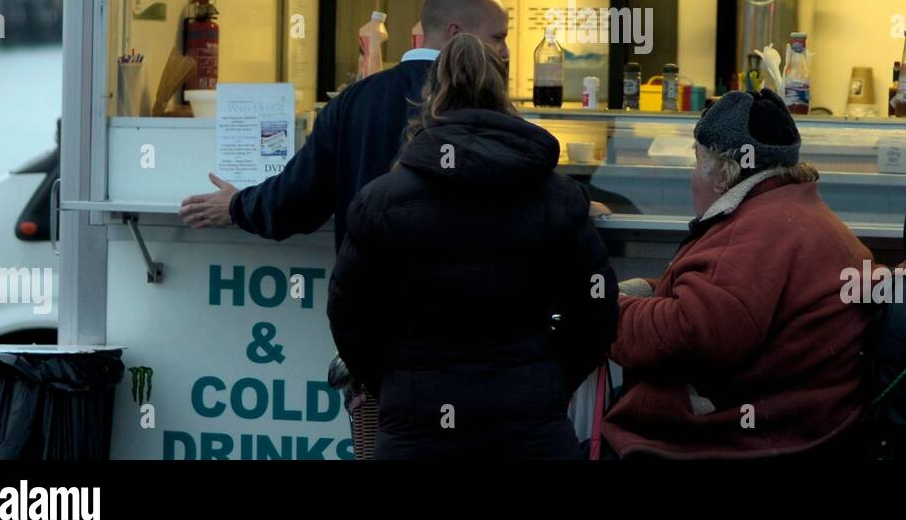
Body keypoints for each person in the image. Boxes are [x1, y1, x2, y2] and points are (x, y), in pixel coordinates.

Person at [328, 33, 618, 459]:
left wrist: (391, 382)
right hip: (529, 428)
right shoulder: (557, 198)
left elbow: (350, 317)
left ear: (433, 95)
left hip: (417, 430)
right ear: (504, 95)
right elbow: (597, 308)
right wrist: (553, 379)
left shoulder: (381, 201)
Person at [602, 88, 874, 460]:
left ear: (723, 172)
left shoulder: (756, 232)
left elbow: (690, 335)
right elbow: (732, 301)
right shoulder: (796, 213)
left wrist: (607, 311)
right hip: (802, 430)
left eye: (697, 162)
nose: (692, 179)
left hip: (730, 442)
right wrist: (647, 292)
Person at [179, 0, 509, 251]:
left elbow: (297, 200)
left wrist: (237, 205)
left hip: (372, 300)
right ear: (455, 32)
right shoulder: (488, 102)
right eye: (498, 37)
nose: (505, 52)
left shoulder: (356, 100)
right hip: (467, 309)